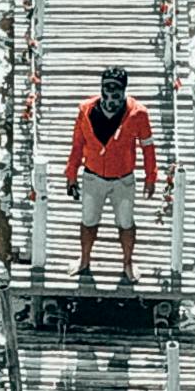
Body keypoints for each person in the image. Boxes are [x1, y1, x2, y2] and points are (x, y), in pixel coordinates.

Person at [64, 65, 158, 279]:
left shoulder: (138, 114)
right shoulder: (85, 110)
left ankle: (128, 263)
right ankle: (84, 260)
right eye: (107, 88)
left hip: (123, 180)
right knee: (88, 220)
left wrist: (150, 176)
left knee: (125, 223)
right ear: (102, 88)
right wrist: (71, 174)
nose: (112, 94)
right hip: (92, 176)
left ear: (124, 90)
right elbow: (77, 145)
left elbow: (148, 146)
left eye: (117, 89)